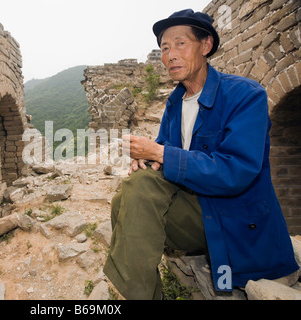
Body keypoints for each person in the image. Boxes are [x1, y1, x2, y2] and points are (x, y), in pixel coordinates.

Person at [103, 9, 299, 300]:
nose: (169, 55)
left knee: (137, 191)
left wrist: (160, 153)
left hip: (235, 219)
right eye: (164, 48)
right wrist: (147, 161)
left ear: (205, 45)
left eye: (180, 43)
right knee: (129, 193)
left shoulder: (245, 96)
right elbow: (165, 159)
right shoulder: (174, 103)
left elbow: (236, 171)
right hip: (199, 211)